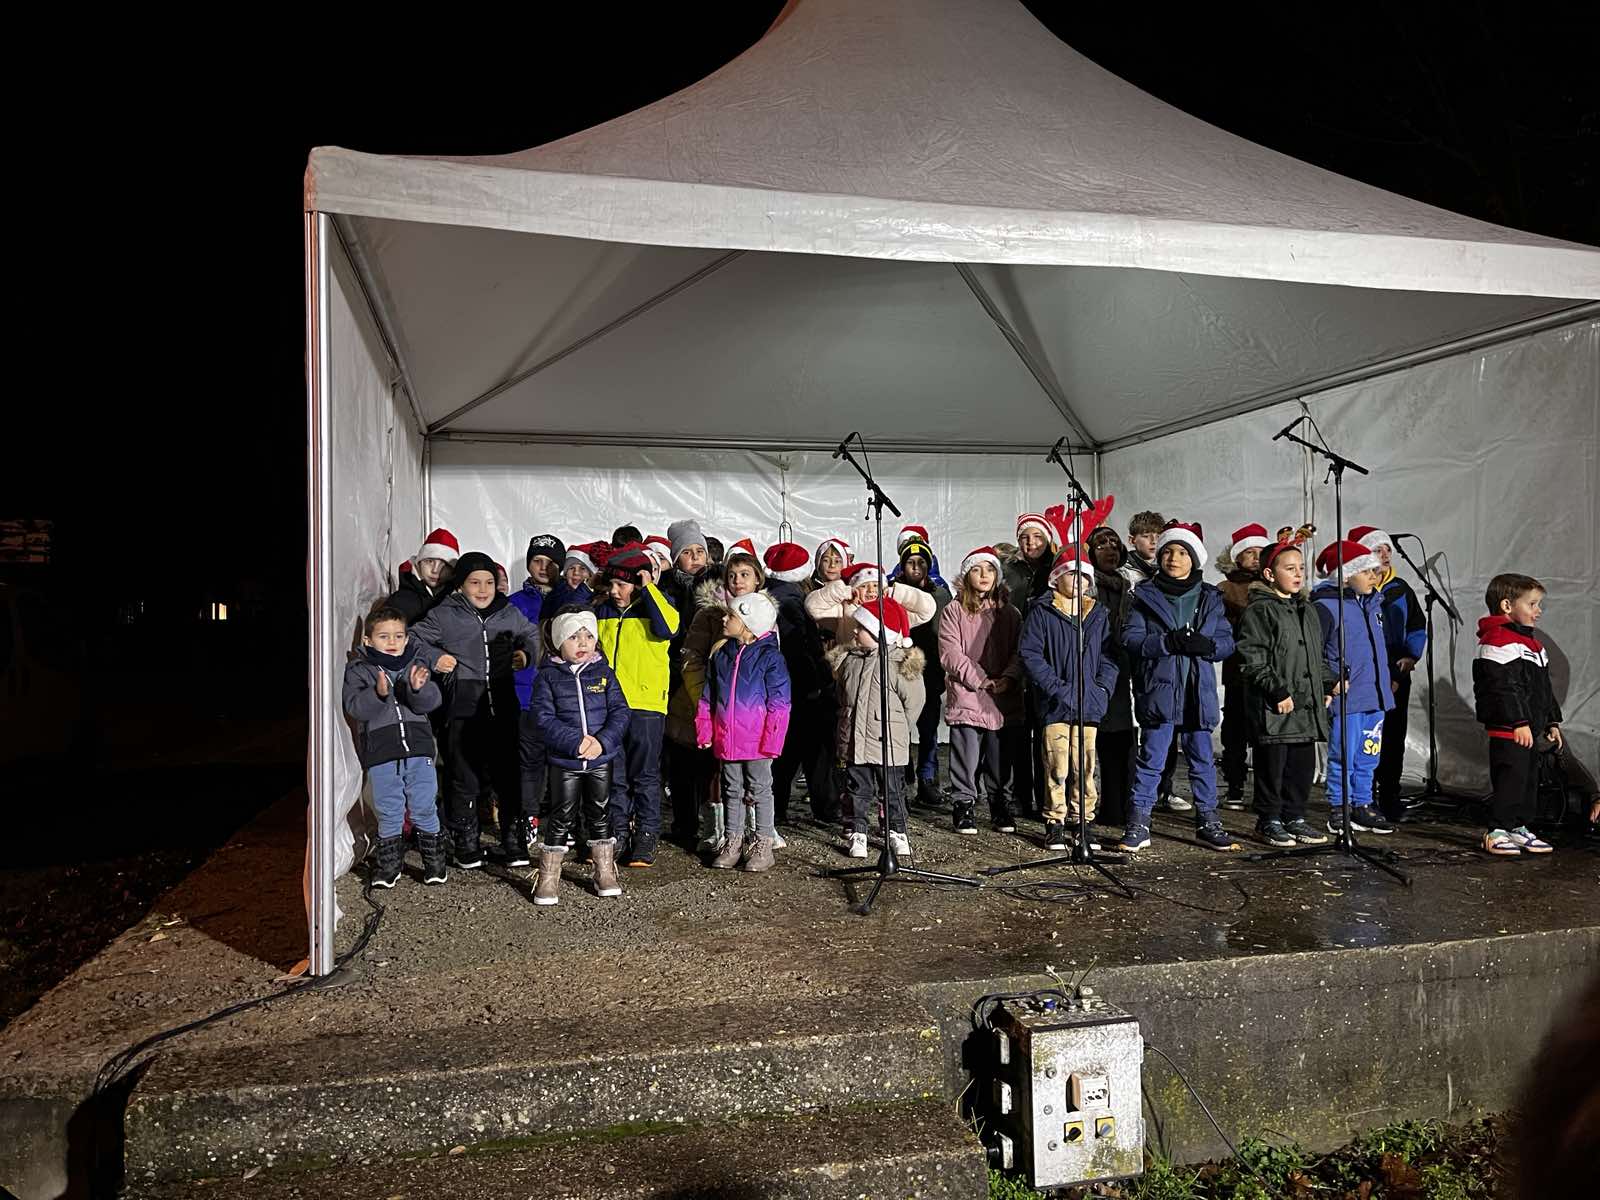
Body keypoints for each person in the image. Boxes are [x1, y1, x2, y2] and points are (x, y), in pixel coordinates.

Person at [410, 551, 541, 868]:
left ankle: (514, 842)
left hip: (503, 706)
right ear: (460, 585)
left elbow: (533, 634)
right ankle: (466, 843)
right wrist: (435, 657)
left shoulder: (507, 612)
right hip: (464, 708)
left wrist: (526, 654)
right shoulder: (445, 614)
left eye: (489, 582)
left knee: (508, 775)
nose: (483, 589)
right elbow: (412, 639)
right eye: (474, 582)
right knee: (463, 776)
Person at [1118, 522, 1238, 853]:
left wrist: (1208, 646)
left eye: (1182, 552)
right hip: (1160, 691)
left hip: (1197, 692)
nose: (1174, 558)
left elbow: (1227, 642)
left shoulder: (1210, 597)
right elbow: (1130, 638)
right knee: (1151, 757)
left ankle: (1208, 821)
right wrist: (1165, 642)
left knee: (1202, 759)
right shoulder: (1144, 596)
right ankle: (1139, 822)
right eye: (1168, 551)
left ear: (1194, 558)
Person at [1020, 547, 1119, 851]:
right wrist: (1056, 688)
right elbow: (1031, 654)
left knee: (1085, 765)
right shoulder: (1042, 611)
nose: (1078, 581)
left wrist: (1102, 689)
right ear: (1056, 578)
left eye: (1083, 576)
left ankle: (1083, 821)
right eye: (1071, 574)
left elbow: (1108, 656)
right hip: (1056, 704)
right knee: (1057, 763)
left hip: (1088, 703)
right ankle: (1055, 821)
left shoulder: (1098, 614)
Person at [530, 610, 632, 904]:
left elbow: (620, 711)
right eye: (573, 637)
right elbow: (542, 717)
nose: (583, 642)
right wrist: (574, 742)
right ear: (558, 642)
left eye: (588, 636)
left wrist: (603, 742)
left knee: (600, 812)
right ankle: (548, 876)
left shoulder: (604, 673)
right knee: (561, 815)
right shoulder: (548, 677)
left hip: (600, 760)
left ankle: (604, 871)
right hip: (566, 762)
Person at [342, 606, 448, 886]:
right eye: (384, 636)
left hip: (419, 748)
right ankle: (389, 867)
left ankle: (435, 864)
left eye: (398, 636)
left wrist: (417, 689)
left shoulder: (415, 664)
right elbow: (355, 707)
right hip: (382, 751)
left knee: (424, 805)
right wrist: (378, 694)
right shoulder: (359, 670)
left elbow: (432, 702)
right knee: (389, 809)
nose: (392, 642)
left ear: (406, 638)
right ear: (368, 640)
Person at [1234, 541, 1331, 847]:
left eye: (1301, 568)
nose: (1298, 574)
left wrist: (1328, 683)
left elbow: (1315, 655)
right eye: (1290, 569)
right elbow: (1252, 657)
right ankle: (1269, 820)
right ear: (1269, 574)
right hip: (1275, 706)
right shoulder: (1260, 610)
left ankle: (1295, 816)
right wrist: (1275, 689)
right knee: (1273, 767)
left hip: (1305, 705)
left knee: (1301, 766)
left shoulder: (1307, 609)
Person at [593, 544, 680, 867]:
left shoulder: (657, 604)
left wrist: (649, 589)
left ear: (639, 581)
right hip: (610, 706)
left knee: (644, 774)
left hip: (646, 703)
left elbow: (669, 628)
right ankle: (618, 831)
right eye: (612, 584)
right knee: (614, 774)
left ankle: (646, 833)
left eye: (622, 584)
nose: (615, 591)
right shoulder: (602, 610)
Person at [697, 591, 792, 871]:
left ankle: (763, 842)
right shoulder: (721, 654)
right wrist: (705, 729)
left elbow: (780, 703)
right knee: (731, 789)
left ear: (750, 623)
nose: (724, 619)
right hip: (727, 737)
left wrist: (773, 740)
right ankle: (733, 840)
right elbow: (708, 696)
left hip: (757, 739)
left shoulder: (770, 657)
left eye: (731, 616)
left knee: (760, 789)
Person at [1311, 539, 1397, 836]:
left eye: (1375, 571)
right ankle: (1340, 806)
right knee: (1344, 754)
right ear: (1346, 576)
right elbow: (1316, 652)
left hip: (1374, 696)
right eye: (1367, 571)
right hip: (1347, 696)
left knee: (1369, 754)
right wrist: (1330, 680)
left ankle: (1363, 803)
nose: (1374, 576)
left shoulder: (1372, 604)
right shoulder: (1326, 607)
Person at [1472, 573, 1561, 857]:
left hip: (1530, 727)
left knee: (1528, 780)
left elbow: (1543, 687)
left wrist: (1551, 720)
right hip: (1510, 727)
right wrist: (1518, 722)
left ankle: (1518, 826)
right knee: (1511, 778)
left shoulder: (1532, 644)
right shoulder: (1498, 640)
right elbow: (1502, 688)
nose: (1538, 611)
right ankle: (1497, 829)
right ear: (1507, 605)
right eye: (1532, 604)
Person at [830, 596, 925, 860]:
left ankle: (896, 830)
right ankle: (857, 830)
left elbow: (914, 702)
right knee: (856, 789)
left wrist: (898, 727)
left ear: (879, 632)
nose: (855, 632)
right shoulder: (850, 661)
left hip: (888, 742)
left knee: (892, 790)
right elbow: (842, 695)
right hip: (855, 741)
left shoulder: (898, 663)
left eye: (862, 627)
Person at [938, 547, 1024, 835]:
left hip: (1002, 695)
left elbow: (1019, 651)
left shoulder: (1010, 614)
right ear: (967, 576)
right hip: (969, 692)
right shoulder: (954, 611)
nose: (984, 575)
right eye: (977, 569)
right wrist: (980, 679)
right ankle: (964, 803)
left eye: (989, 570)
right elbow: (950, 652)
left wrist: (1009, 677)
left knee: (1000, 755)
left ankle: (1000, 803)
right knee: (966, 754)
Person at [1348, 525, 1427, 821]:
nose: (1384, 554)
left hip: (1397, 672)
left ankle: (1390, 797)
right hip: (1366, 675)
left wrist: (1411, 655)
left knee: (1393, 737)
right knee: (1366, 737)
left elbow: (1417, 625)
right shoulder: (1355, 592)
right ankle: (1362, 797)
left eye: (1387, 550)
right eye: (1376, 549)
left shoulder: (1400, 589)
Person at [765, 540, 837, 827]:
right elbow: (801, 646)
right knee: (814, 749)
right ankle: (825, 807)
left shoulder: (769, 595)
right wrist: (817, 680)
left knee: (784, 751)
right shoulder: (793, 601)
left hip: (779, 685)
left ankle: (776, 806)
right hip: (801, 685)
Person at [661, 519, 715, 848]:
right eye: (687, 552)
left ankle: (712, 826)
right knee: (679, 752)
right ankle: (684, 822)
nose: (694, 558)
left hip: (708, 679)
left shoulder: (716, 585)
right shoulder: (666, 588)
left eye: (699, 551)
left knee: (708, 756)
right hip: (675, 678)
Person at [510, 533, 565, 843]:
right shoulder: (515, 603)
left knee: (563, 762)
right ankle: (528, 816)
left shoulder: (570, 600)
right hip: (526, 695)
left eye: (551, 562)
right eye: (537, 561)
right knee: (530, 760)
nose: (543, 567)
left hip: (564, 698)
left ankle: (562, 822)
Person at [1217, 524, 1271, 810]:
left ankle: (1265, 790)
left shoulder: (1272, 584)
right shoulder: (1226, 589)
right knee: (1235, 732)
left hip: (1268, 671)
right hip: (1238, 671)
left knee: (1265, 732)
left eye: (1261, 551)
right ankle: (1235, 785)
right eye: (1249, 552)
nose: (1255, 557)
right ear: (1237, 557)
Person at [1085, 526, 1136, 829]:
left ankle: (1119, 808)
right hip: (1093, 669)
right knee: (1094, 741)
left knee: (1121, 740)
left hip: (1122, 668)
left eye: (1114, 544)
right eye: (1101, 545)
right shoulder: (1086, 583)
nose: (1110, 550)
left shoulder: (1128, 586)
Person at [896, 535, 952, 807]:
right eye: (910, 562)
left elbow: (947, 633)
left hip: (930, 671)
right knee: (900, 728)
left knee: (928, 730)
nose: (916, 567)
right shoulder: (895, 593)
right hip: (901, 671)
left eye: (921, 562)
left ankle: (928, 780)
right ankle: (902, 780)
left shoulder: (940, 595)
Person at [804, 560, 937, 646]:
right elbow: (812, 607)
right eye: (863, 586)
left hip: (888, 669)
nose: (871, 590)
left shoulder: (894, 609)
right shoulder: (844, 610)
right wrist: (845, 592)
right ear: (855, 589)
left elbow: (928, 609)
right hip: (854, 670)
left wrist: (895, 592)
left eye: (876, 585)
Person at [387, 528, 460, 624]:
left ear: (452, 571)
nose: (435, 570)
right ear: (418, 563)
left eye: (444, 565)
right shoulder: (399, 602)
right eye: (430, 561)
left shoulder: (459, 603)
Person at [803, 537, 852, 601]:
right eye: (826, 560)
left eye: (837, 561)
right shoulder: (807, 590)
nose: (832, 565)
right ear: (818, 564)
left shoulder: (851, 592)